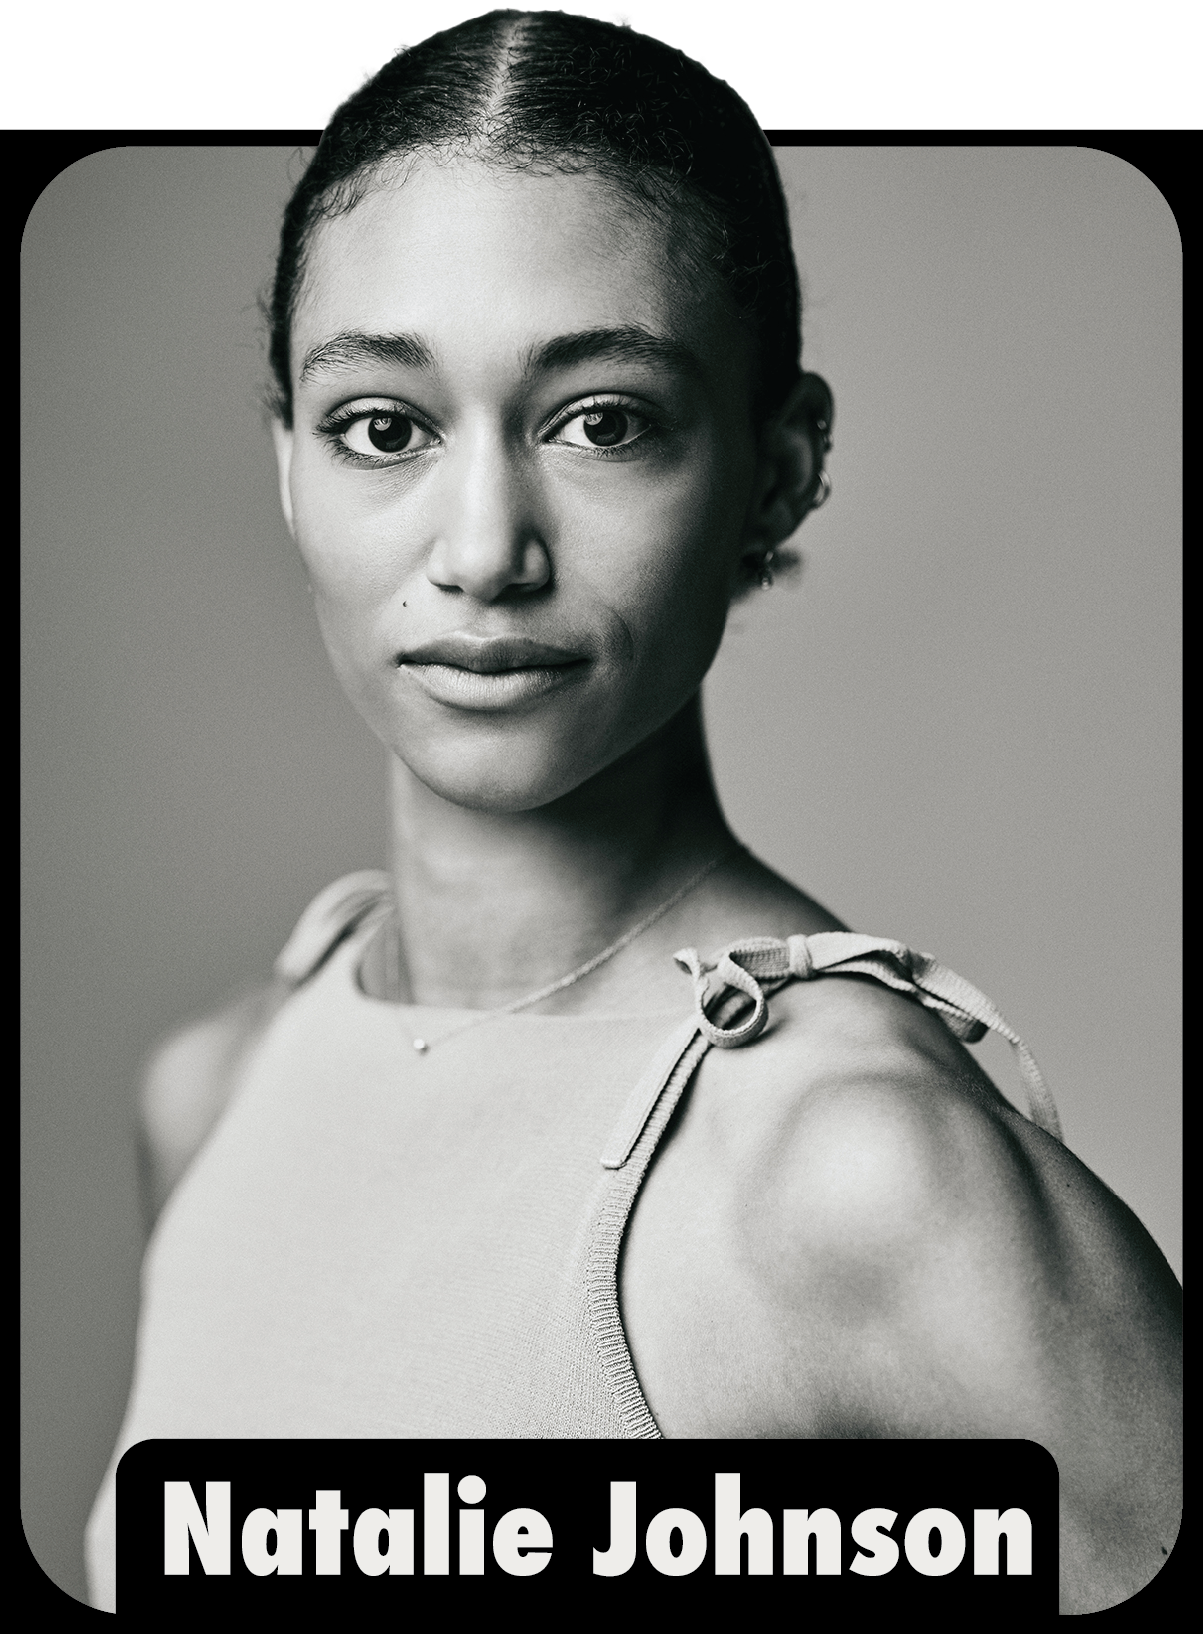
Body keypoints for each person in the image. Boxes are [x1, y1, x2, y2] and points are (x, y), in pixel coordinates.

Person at [85, 10, 1181, 1613]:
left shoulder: (859, 1169)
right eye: (381, 427)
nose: (480, 549)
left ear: (777, 468)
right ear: (285, 465)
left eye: (601, 419)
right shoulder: (220, 1086)